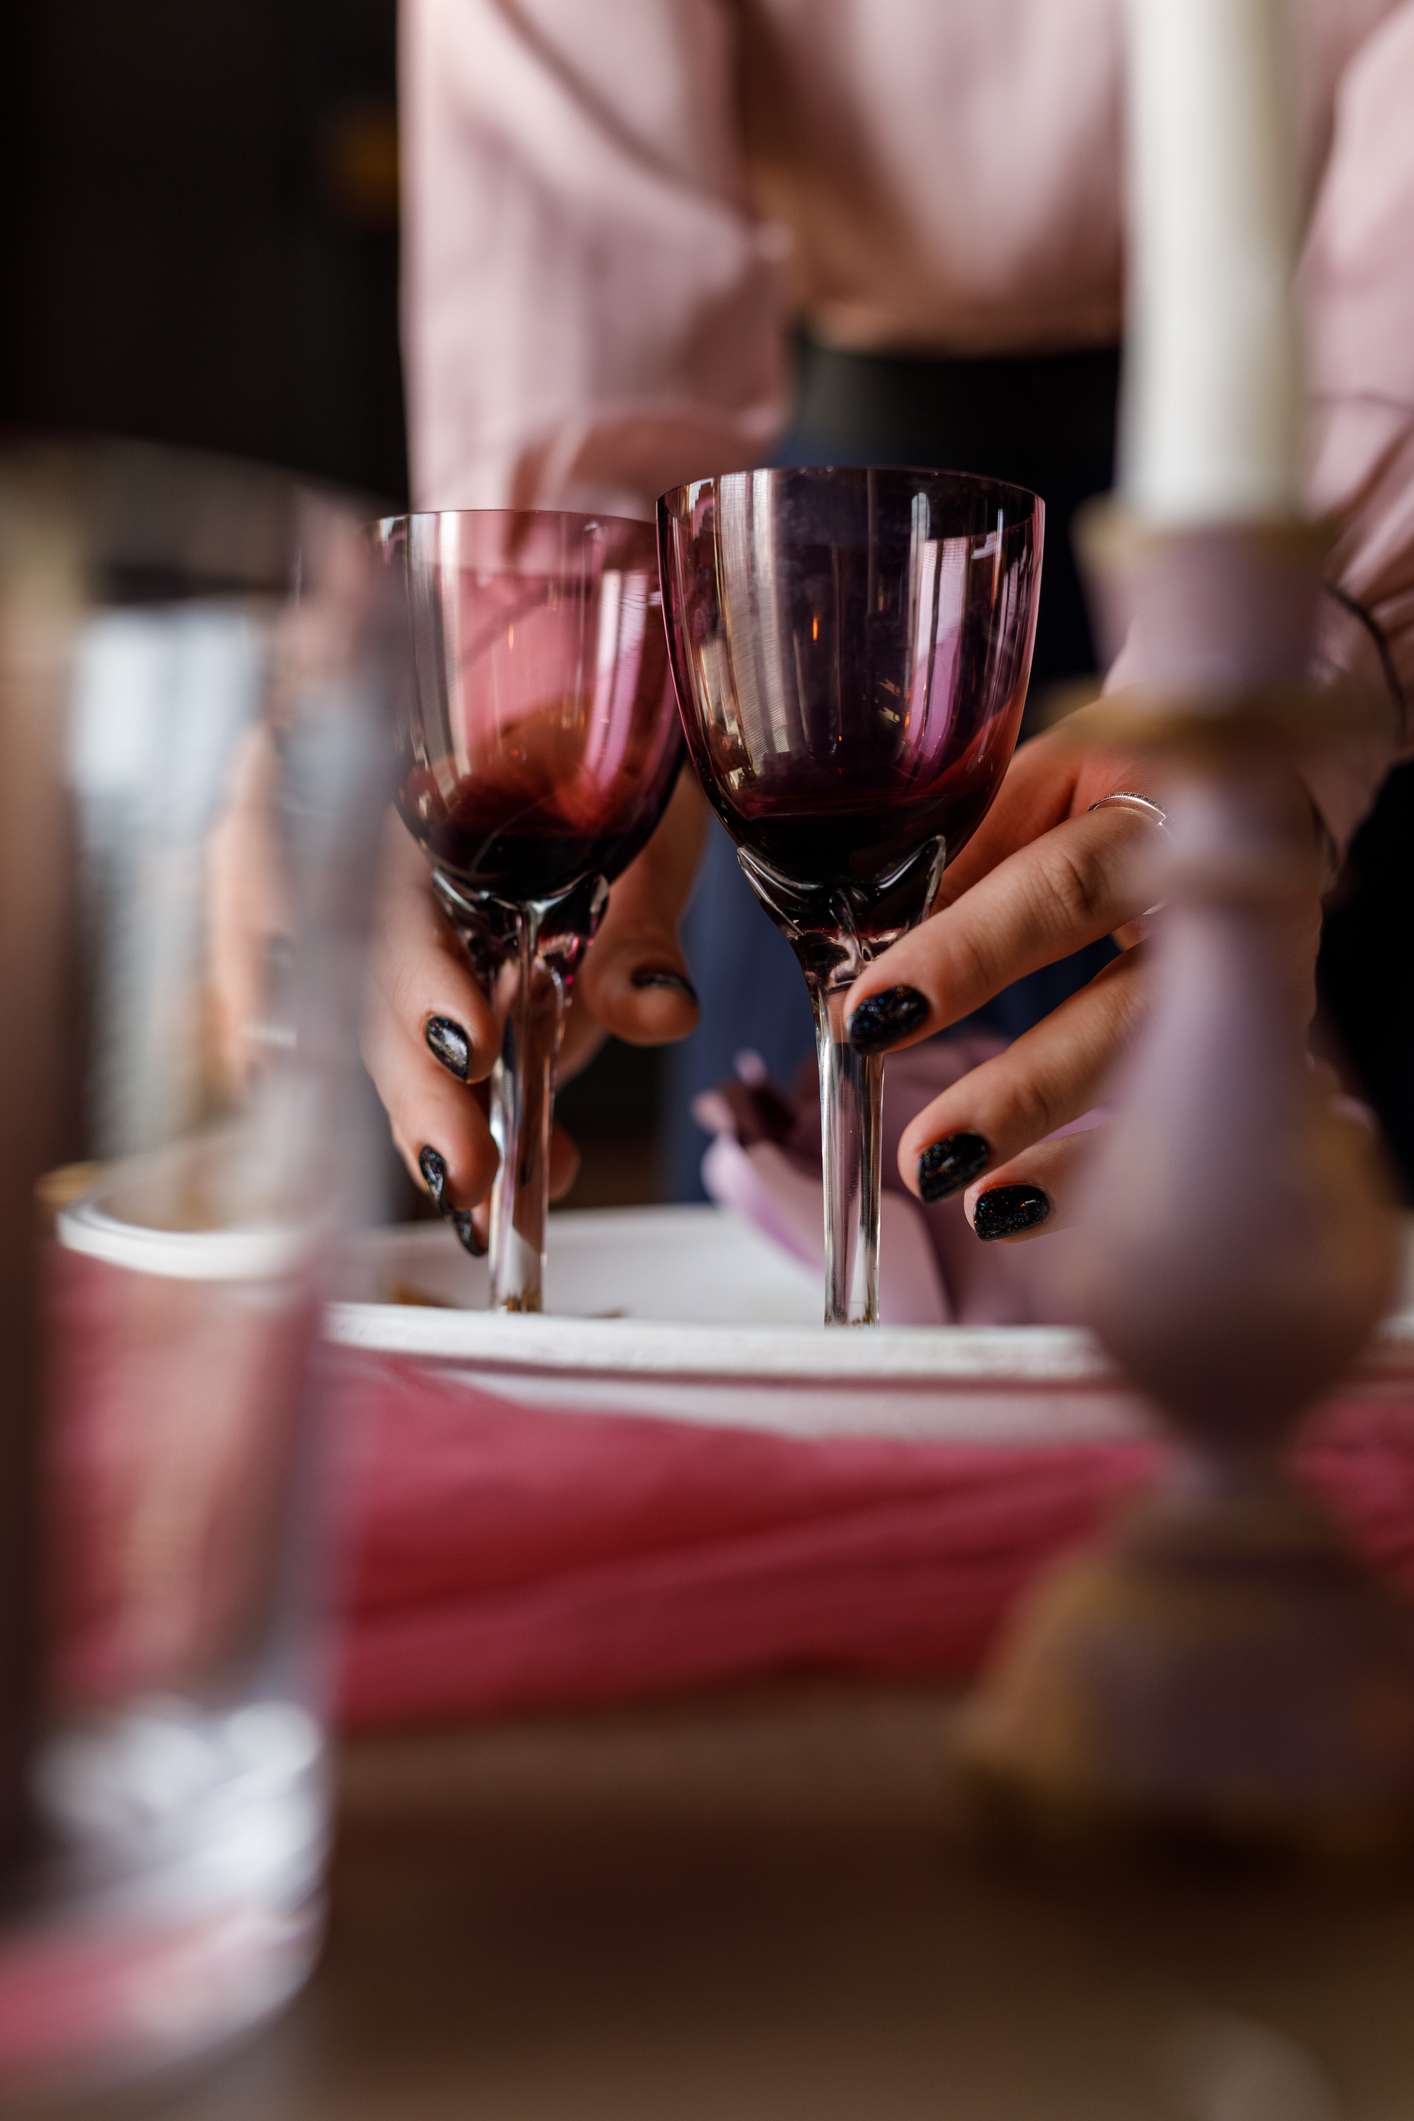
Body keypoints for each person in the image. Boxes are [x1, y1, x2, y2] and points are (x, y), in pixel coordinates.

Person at [379, 0, 1414, 1250]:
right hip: (836, 562)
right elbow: (563, 213)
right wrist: (540, 703)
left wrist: (1299, 638)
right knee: (800, 1287)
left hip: (1363, 485)